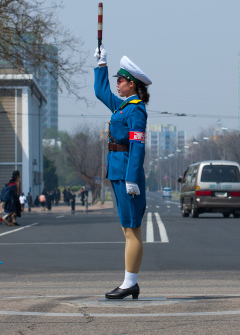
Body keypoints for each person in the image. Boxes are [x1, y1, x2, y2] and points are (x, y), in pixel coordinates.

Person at [94, 45, 151, 300]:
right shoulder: (123, 107)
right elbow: (100, 91)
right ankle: (130, 283)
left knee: (132, 229)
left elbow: (137, 145)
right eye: (116, 80)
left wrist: (131, 178)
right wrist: (101, 66)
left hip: (128, 175)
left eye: (120, 80)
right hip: (118, 172)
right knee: (127, 229)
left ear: (132, 84)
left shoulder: (136, 109)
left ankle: (130, 283)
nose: (117, 85)